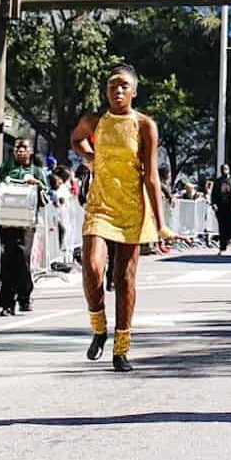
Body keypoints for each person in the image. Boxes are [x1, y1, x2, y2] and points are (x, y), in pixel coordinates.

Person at [73, 65, 173, 370]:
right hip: (100, 205)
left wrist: (161, 222)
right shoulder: (94, 121)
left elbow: (152, 177)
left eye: (123, 86)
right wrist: (88, 156)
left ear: (134, 91)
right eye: (112, 85)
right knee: (92, 268)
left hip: (132, 208)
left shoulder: (144, 125)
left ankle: (121, 348)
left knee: (124, 278)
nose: (117, 90)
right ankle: (99, 327)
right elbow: (77, 139)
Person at [0, 137, 49, 316]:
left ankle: (24, 295)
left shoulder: (37, 171)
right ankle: (6, 302)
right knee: (8, 258)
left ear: (31, 151)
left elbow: (47, 198)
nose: (20, 151)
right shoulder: (4, 168)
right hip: (7, 221)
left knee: (22, 256)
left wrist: (38, 186)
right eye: (17, 147)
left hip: (26, 223)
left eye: (24, 147)